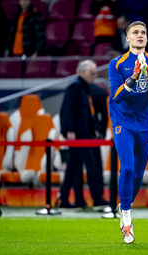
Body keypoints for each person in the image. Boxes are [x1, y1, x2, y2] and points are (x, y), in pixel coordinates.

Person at [109, 21, 148, 243]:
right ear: (128, 38)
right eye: (135, 32)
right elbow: (116, 96)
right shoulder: (117, 63)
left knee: (137, 174)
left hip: (146, 122)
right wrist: (133, 78)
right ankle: (126, 218)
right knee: (127, 168)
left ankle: (124, 205)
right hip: (122, 121)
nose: (140, 35)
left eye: (143, 32)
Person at [59, 60, 109, 211]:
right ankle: (97, 198)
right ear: (82, 72)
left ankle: (65, 198)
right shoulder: (75, 87)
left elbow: (87, 113)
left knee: (72, 169)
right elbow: (67, 109)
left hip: (85, 134)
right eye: (92, 73)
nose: (95, 76)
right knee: (92, 165)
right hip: (79, 136)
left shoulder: (85, 88)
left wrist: (94, 129)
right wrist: (69, 130)